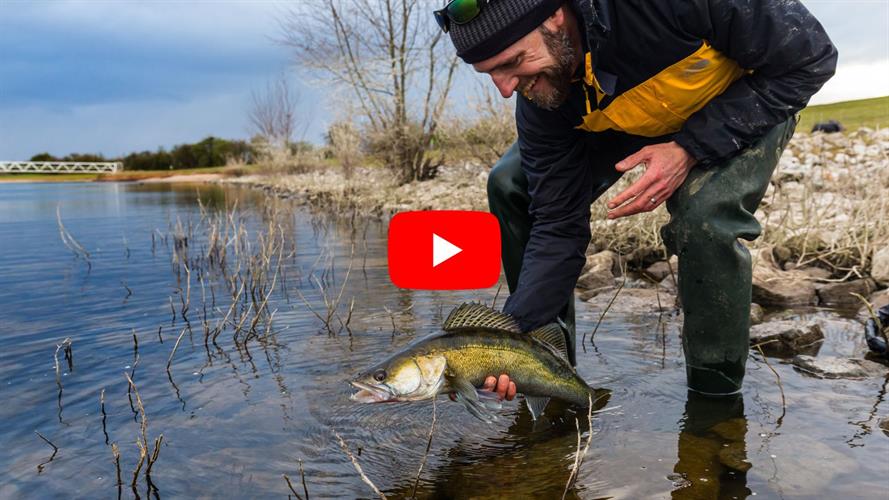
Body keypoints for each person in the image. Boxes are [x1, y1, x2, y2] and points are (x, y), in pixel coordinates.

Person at [435, 0, 837, 398]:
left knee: (704, 216)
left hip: (742, 97)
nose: (505, 89)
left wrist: (689, 148)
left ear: (555, 16)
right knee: (511, 183)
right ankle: (550, 376)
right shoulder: (541, 98)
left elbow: (810, 59)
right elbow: (557, 225)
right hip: (630, 118)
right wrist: (512, 338)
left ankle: (715, 404)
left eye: (513, 62)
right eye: (490, 73)